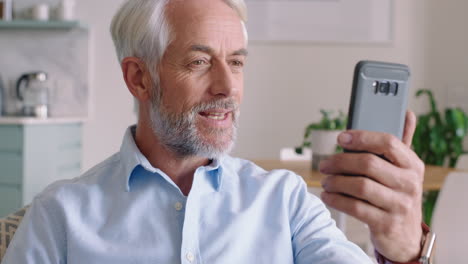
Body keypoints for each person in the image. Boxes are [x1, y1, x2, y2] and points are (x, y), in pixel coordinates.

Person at [2, 0, 427, 263]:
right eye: (200, 62)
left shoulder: (286, 202)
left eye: (237, 62)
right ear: (139, 78)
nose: (227, 87)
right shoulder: (59, 216)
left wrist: (406, 252)